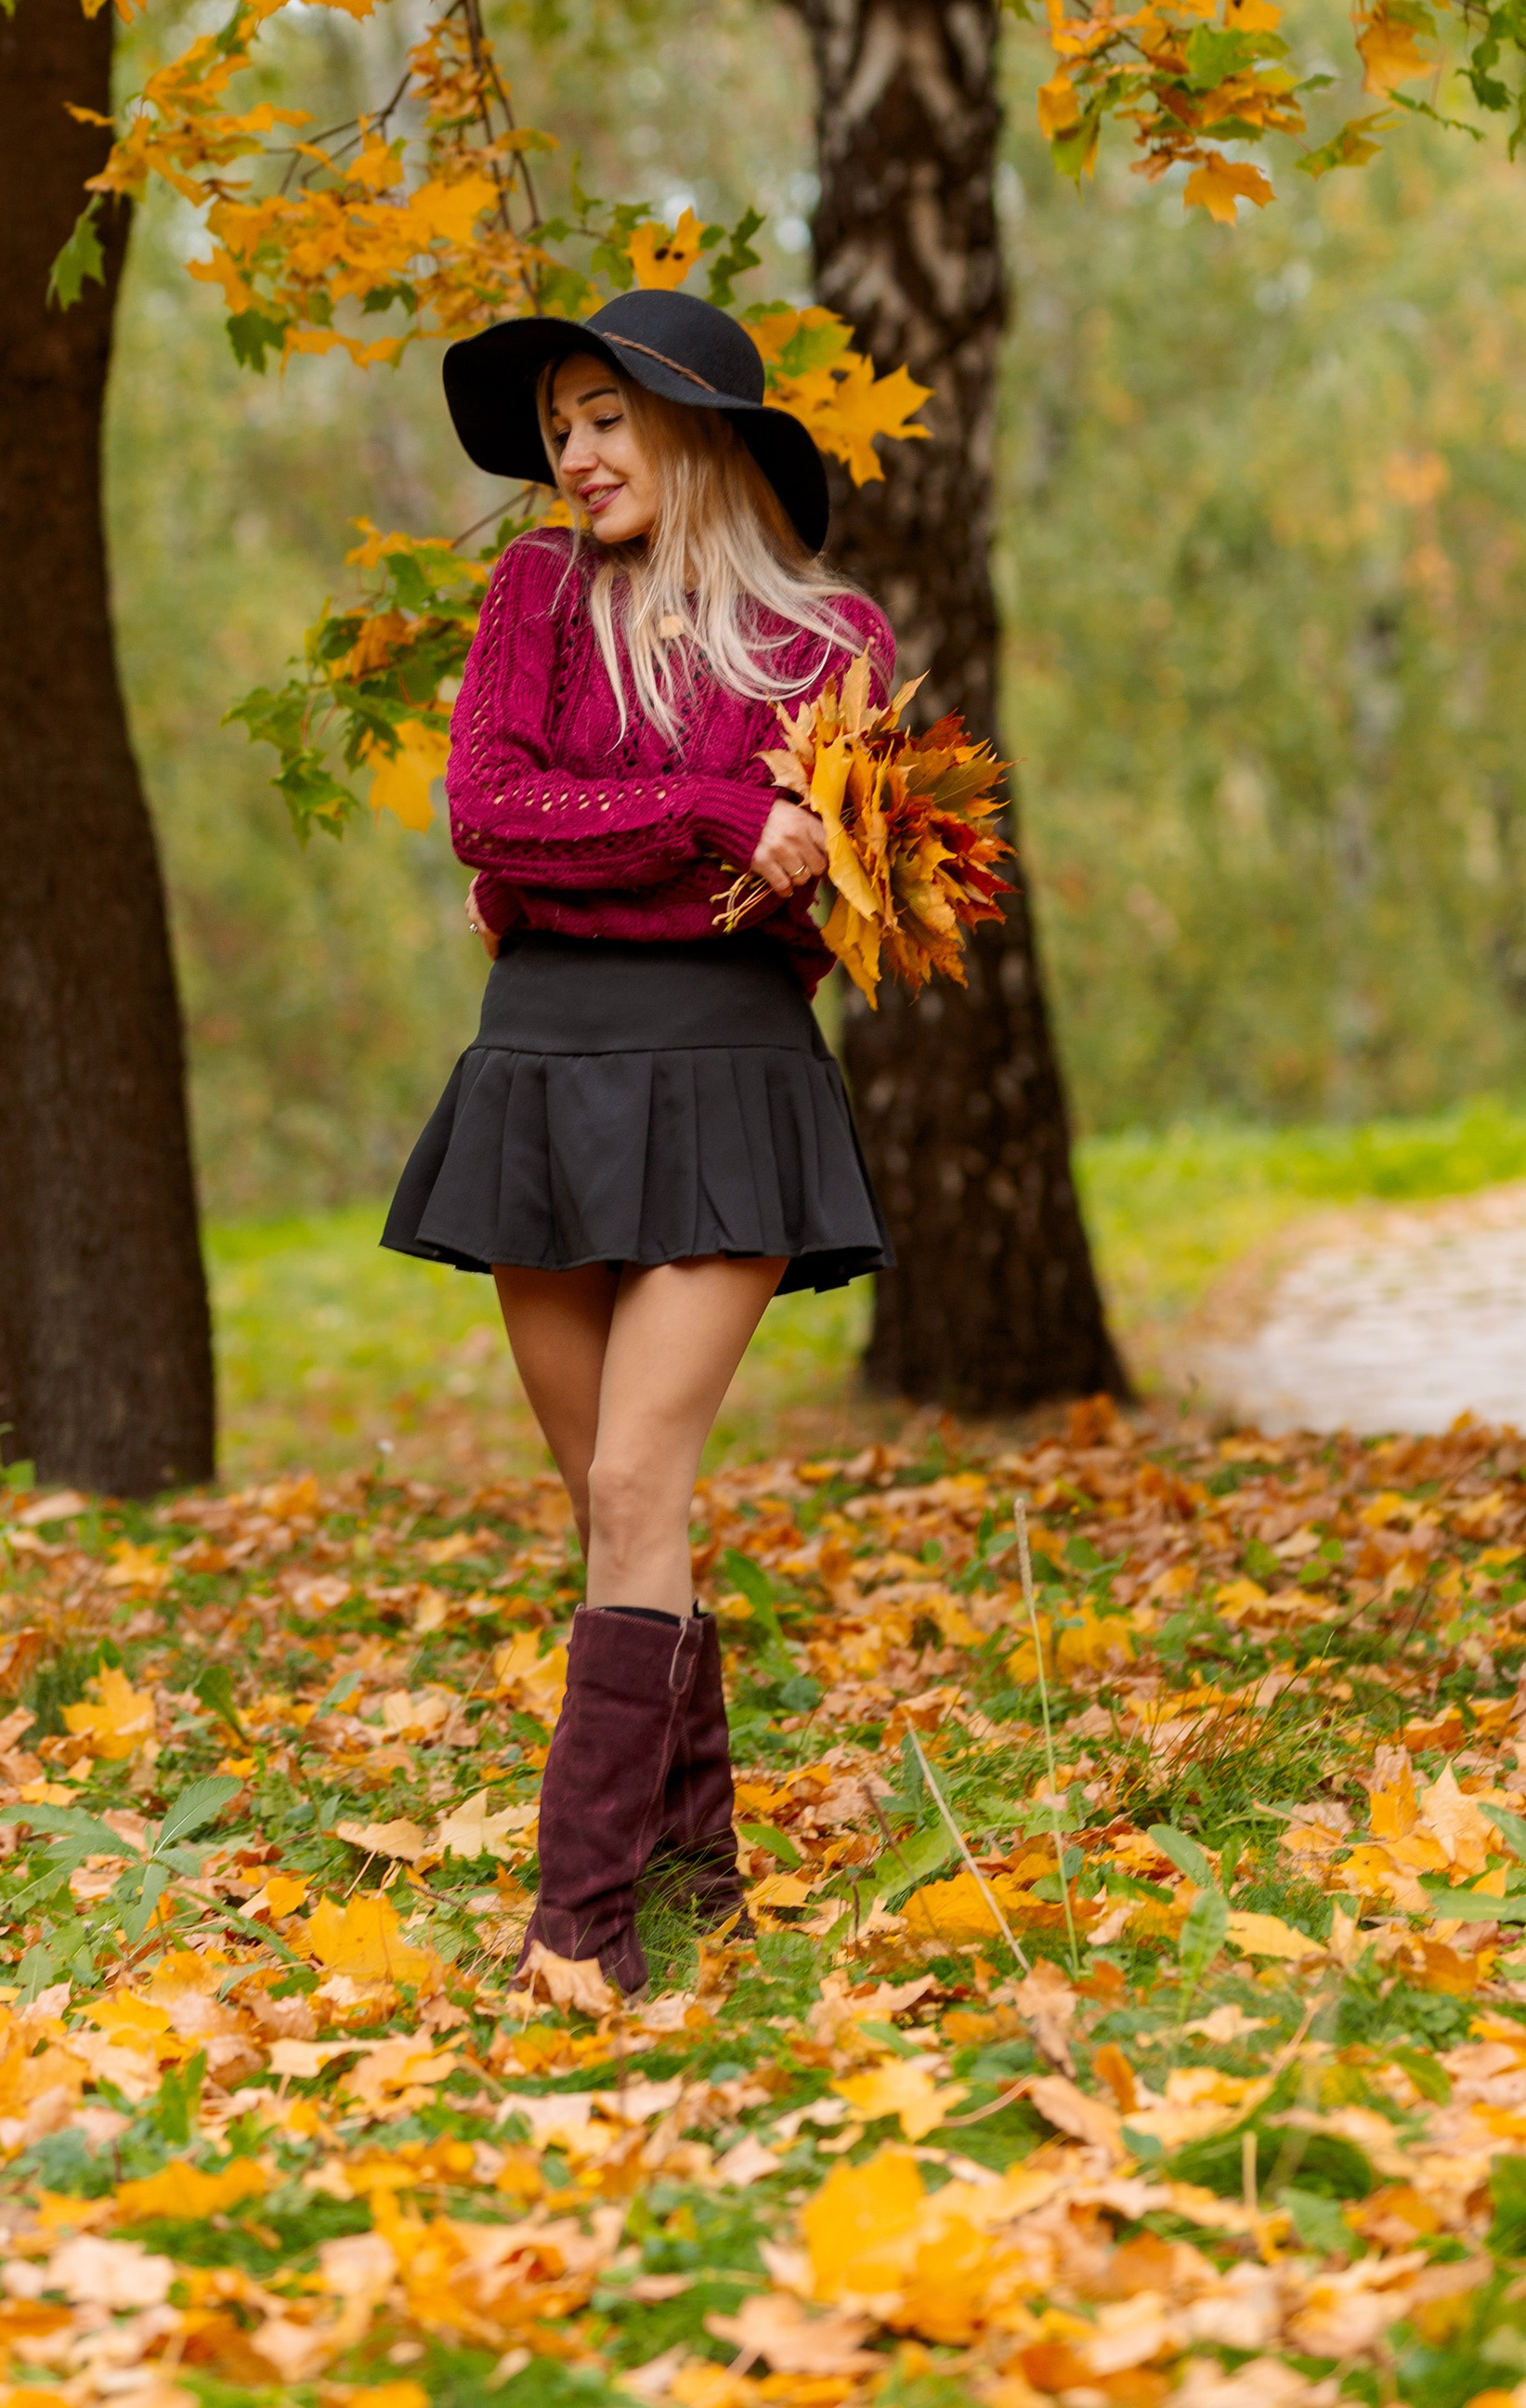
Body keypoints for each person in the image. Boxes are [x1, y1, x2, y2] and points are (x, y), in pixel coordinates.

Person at [383, 286, 896, 1990]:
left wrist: (632, 867)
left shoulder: (836, 643)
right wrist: (711, 816)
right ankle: (705, 1881)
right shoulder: (533, 592)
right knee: (612, 1517)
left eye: (606, 417)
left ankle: (578, 1927)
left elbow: (830, 903)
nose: (578, 454)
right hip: (540, 1070)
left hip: (731, 1072)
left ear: (697, 430)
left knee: (632, 1477)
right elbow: (489, 809)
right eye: (559, 432)